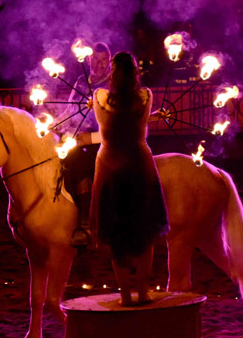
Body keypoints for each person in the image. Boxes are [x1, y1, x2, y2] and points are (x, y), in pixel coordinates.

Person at [90, 51, 169, 306]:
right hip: (138, 166)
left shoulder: (99, 97)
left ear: (112, 73)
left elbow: (113, 121)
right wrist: (155, 116)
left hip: (110, 168)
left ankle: (125, 295)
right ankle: (143, 292)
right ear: (136, 73)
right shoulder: (145, 96)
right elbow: (136, 121)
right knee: (143, 230)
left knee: (116, 233)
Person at [57, 42, 111, 247]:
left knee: (79, 161)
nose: (99, 64)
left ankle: (86, 222)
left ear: (109, 62)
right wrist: (52, 125)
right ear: (88, 60)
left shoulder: (112, 86)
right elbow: (70, 112)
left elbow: (117, 122)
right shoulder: (81, 81)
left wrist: (91, 138)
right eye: (95, 59)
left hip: (102, 141)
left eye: (104, 60)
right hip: (77, 139)